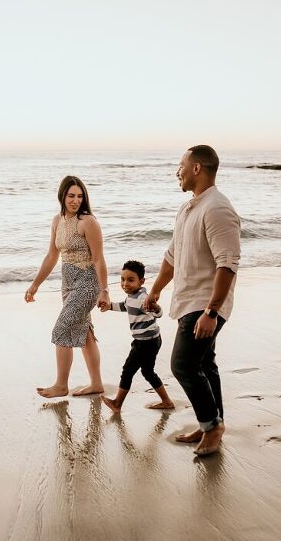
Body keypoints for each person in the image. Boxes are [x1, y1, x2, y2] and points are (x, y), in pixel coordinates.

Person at [144, 145, 240, 456]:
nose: (177, 171)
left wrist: (212, 311)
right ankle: (211, 424)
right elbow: (172, 256)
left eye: (181, 165)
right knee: (204, 364)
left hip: (205, 303)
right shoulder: (189, 209)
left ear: (197, 168)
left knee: (182, 364)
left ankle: (212, 427)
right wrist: (156, 290)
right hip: (189, 301)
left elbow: (227, 263)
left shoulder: (217, 208)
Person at [25, 175, 109, 397]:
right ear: (62, 195)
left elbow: (99, 259)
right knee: (85, 333)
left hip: (88, 283)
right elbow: (52, 256)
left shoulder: (88, 222)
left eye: (80, 196)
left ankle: (61, 385)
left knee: (61, 329)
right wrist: (35, 285)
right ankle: (96, 384)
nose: (75, 201)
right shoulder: (56, 221)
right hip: (67, 284)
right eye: (71, 196)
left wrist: (104, 291)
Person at [100, 260, 174, 413]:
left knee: (128, 370)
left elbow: (158, 313)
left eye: (130, 280)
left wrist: (155, 306)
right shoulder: (132, 296)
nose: (125, 283)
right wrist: (109, 306)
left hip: (146, 342)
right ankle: (167, 401)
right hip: (148, 340)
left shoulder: (143, 298)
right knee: (147, 371)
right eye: (122, 279)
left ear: (141, 281)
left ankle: (117, 404)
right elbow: (125, 306)